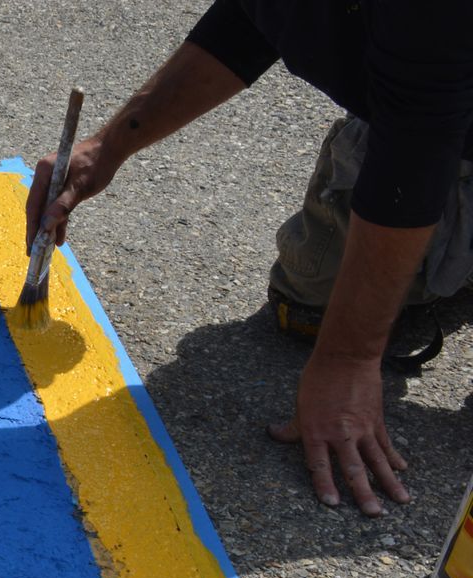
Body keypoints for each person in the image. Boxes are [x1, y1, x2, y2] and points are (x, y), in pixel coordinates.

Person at [26, 1, 473, 517]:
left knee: (352, 326)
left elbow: (415, 150)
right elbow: (256, 16)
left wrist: (350, 358)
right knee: (311, 307)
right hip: (425, 101)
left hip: (430, 119)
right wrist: (108, 147)